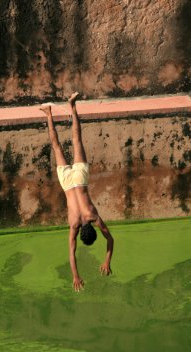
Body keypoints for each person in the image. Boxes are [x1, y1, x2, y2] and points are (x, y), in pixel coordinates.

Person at [40, 92, 114, 292]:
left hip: (80, 180)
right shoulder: (73, 224)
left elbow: (110, 239)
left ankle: (72, 105)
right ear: (81, 233)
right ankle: (48, 113)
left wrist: (108, 260)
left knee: (76, 140)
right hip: (67, 183)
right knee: (56, 147)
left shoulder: (93, 216)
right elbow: (71, 253)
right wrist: (76, 276)